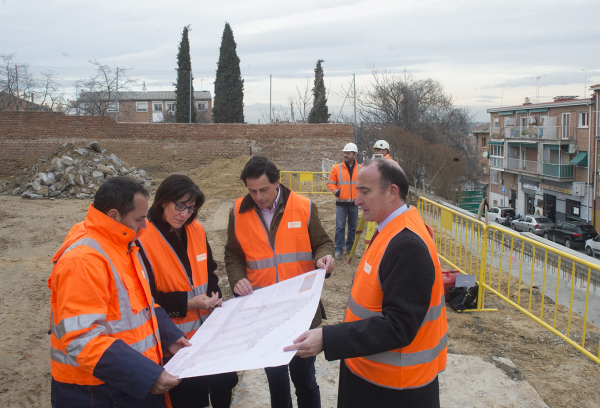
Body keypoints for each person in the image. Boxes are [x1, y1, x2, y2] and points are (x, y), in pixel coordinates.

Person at [284, 159, 447, 408]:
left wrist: (328, 339)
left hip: (394, 390)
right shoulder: (389, 230)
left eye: (365, 192)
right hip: (373, 376)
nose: (357, 200)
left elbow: (398, 326)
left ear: (392, 192)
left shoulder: (407, 246)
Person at [48, 177, 190, 408]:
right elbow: (82, 339)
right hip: (95, 392)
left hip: (125, 382)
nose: (145, 227)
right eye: (139, 219)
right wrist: (145, 375)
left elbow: (142, 305)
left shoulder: (123, 246)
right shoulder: (84, 261)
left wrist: (169, 335)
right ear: (114, 216)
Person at [224, 155, 335, 408]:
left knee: (305, 380)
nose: (258, 196)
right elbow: (233, 253)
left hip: (301, 310)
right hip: (264, 313)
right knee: (275, 379)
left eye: (263, 189)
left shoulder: (304, 206)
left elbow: (322, 243)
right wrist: (237, 278)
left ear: (277, 182)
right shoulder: (238, 212)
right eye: (252, 191)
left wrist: (324, 257)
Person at [136, 174, 238, 408]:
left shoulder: (197, 229)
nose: (185, 214)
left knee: (223, 387)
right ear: (163, 201)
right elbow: (145, 299)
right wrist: (189, 304)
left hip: (209, 335)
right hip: (175, 340)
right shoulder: (142, 238)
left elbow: (209, 271)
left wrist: (214, 296)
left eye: (191, 208)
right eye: (179, 206)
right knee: (190, 398)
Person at [326, 142, 362, 259]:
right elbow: (330, 182)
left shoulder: (360, 168)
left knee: (353, 227)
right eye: (344, 153)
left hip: (354, 204)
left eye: (348, 153)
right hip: (341, 203)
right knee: (340, 227)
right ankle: (339, 249)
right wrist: (336, 192)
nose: (345, 155)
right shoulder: (337, 168)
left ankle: (351, 248)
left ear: (354, 155)